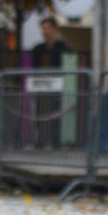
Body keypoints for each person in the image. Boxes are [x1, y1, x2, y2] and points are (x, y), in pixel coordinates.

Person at [30, 17, 71, 150]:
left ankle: (55, 140)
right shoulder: (38, 49)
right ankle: (41, 139)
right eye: (43, 28)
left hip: (56, 86)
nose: (45, 31)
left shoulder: (62, 48)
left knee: (55, 112)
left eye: (47, 28)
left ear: (54, 29)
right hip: (42, 86)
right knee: (41, 112)